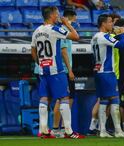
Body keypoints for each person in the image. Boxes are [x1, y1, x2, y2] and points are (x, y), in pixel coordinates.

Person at [30, 6, 84, 139]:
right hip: (57, 71)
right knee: (64, 98)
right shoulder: (55, 29)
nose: (59, 16)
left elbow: (33, 51)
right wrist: (66, 24)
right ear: (52, 15)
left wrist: (41, 63)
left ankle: (43, 130)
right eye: (57, 13)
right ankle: (69, 131)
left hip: (43, 71)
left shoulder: (36, 31)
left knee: (44, 98)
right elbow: (76, 37)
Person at [91, 14, 124, 138]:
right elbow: (122, 45)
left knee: (103, 101)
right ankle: (118, 130)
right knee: (114, 100)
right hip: (108, 72)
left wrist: (117, 35)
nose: (112, 24)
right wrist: (123, 33)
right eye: (110, 22)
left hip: (98, 71)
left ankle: (102, 130)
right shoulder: (104, 36)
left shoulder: (95, 37)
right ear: (103, 24)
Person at [52, 9, 78, 138]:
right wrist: (70, 70)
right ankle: (56, 128)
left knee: (69, 99)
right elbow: (63, 52)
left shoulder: (65, 30)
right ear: (69, 18)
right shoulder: (62, 30)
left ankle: (63, 128)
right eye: (74, 18)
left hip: (66, 70)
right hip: (63, 70)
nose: (76, 21)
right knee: (61, 99)